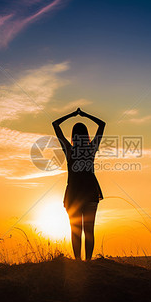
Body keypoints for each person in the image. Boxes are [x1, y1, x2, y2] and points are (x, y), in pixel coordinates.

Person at [52, 108, 105, 260]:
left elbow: (55, 124)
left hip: (74, 193)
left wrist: (72, 114)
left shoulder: (69, 150)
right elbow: (102, 124)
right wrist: (85, 114)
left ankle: (78, 261)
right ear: (86, 135)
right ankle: (87, 261)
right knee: (89, 230)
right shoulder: (91, 149)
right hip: (90, 192)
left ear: (73, 136)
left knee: (75, 230)